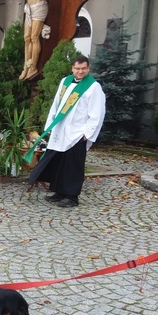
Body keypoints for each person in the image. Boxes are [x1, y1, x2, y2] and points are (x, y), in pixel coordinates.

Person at [27, 55, 105, 208]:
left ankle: (72, 196)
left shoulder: (93, 87)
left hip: (77, 133)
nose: (80, 71)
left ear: (88, 69)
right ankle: (59, 192)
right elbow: (57, 103)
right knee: (59, 162)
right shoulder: (65, 81)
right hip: (61, 130)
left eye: (83, 69)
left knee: (72, 165)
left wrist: (87, 133)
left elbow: (97, 112)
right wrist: (50, 125)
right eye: (77, 68)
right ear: (72, 68)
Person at [19, 0, 52, 81]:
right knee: (26, 37)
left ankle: (33, 67)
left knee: (34, 37)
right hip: (29, 8)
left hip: (39, 6)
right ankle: (26, 66)